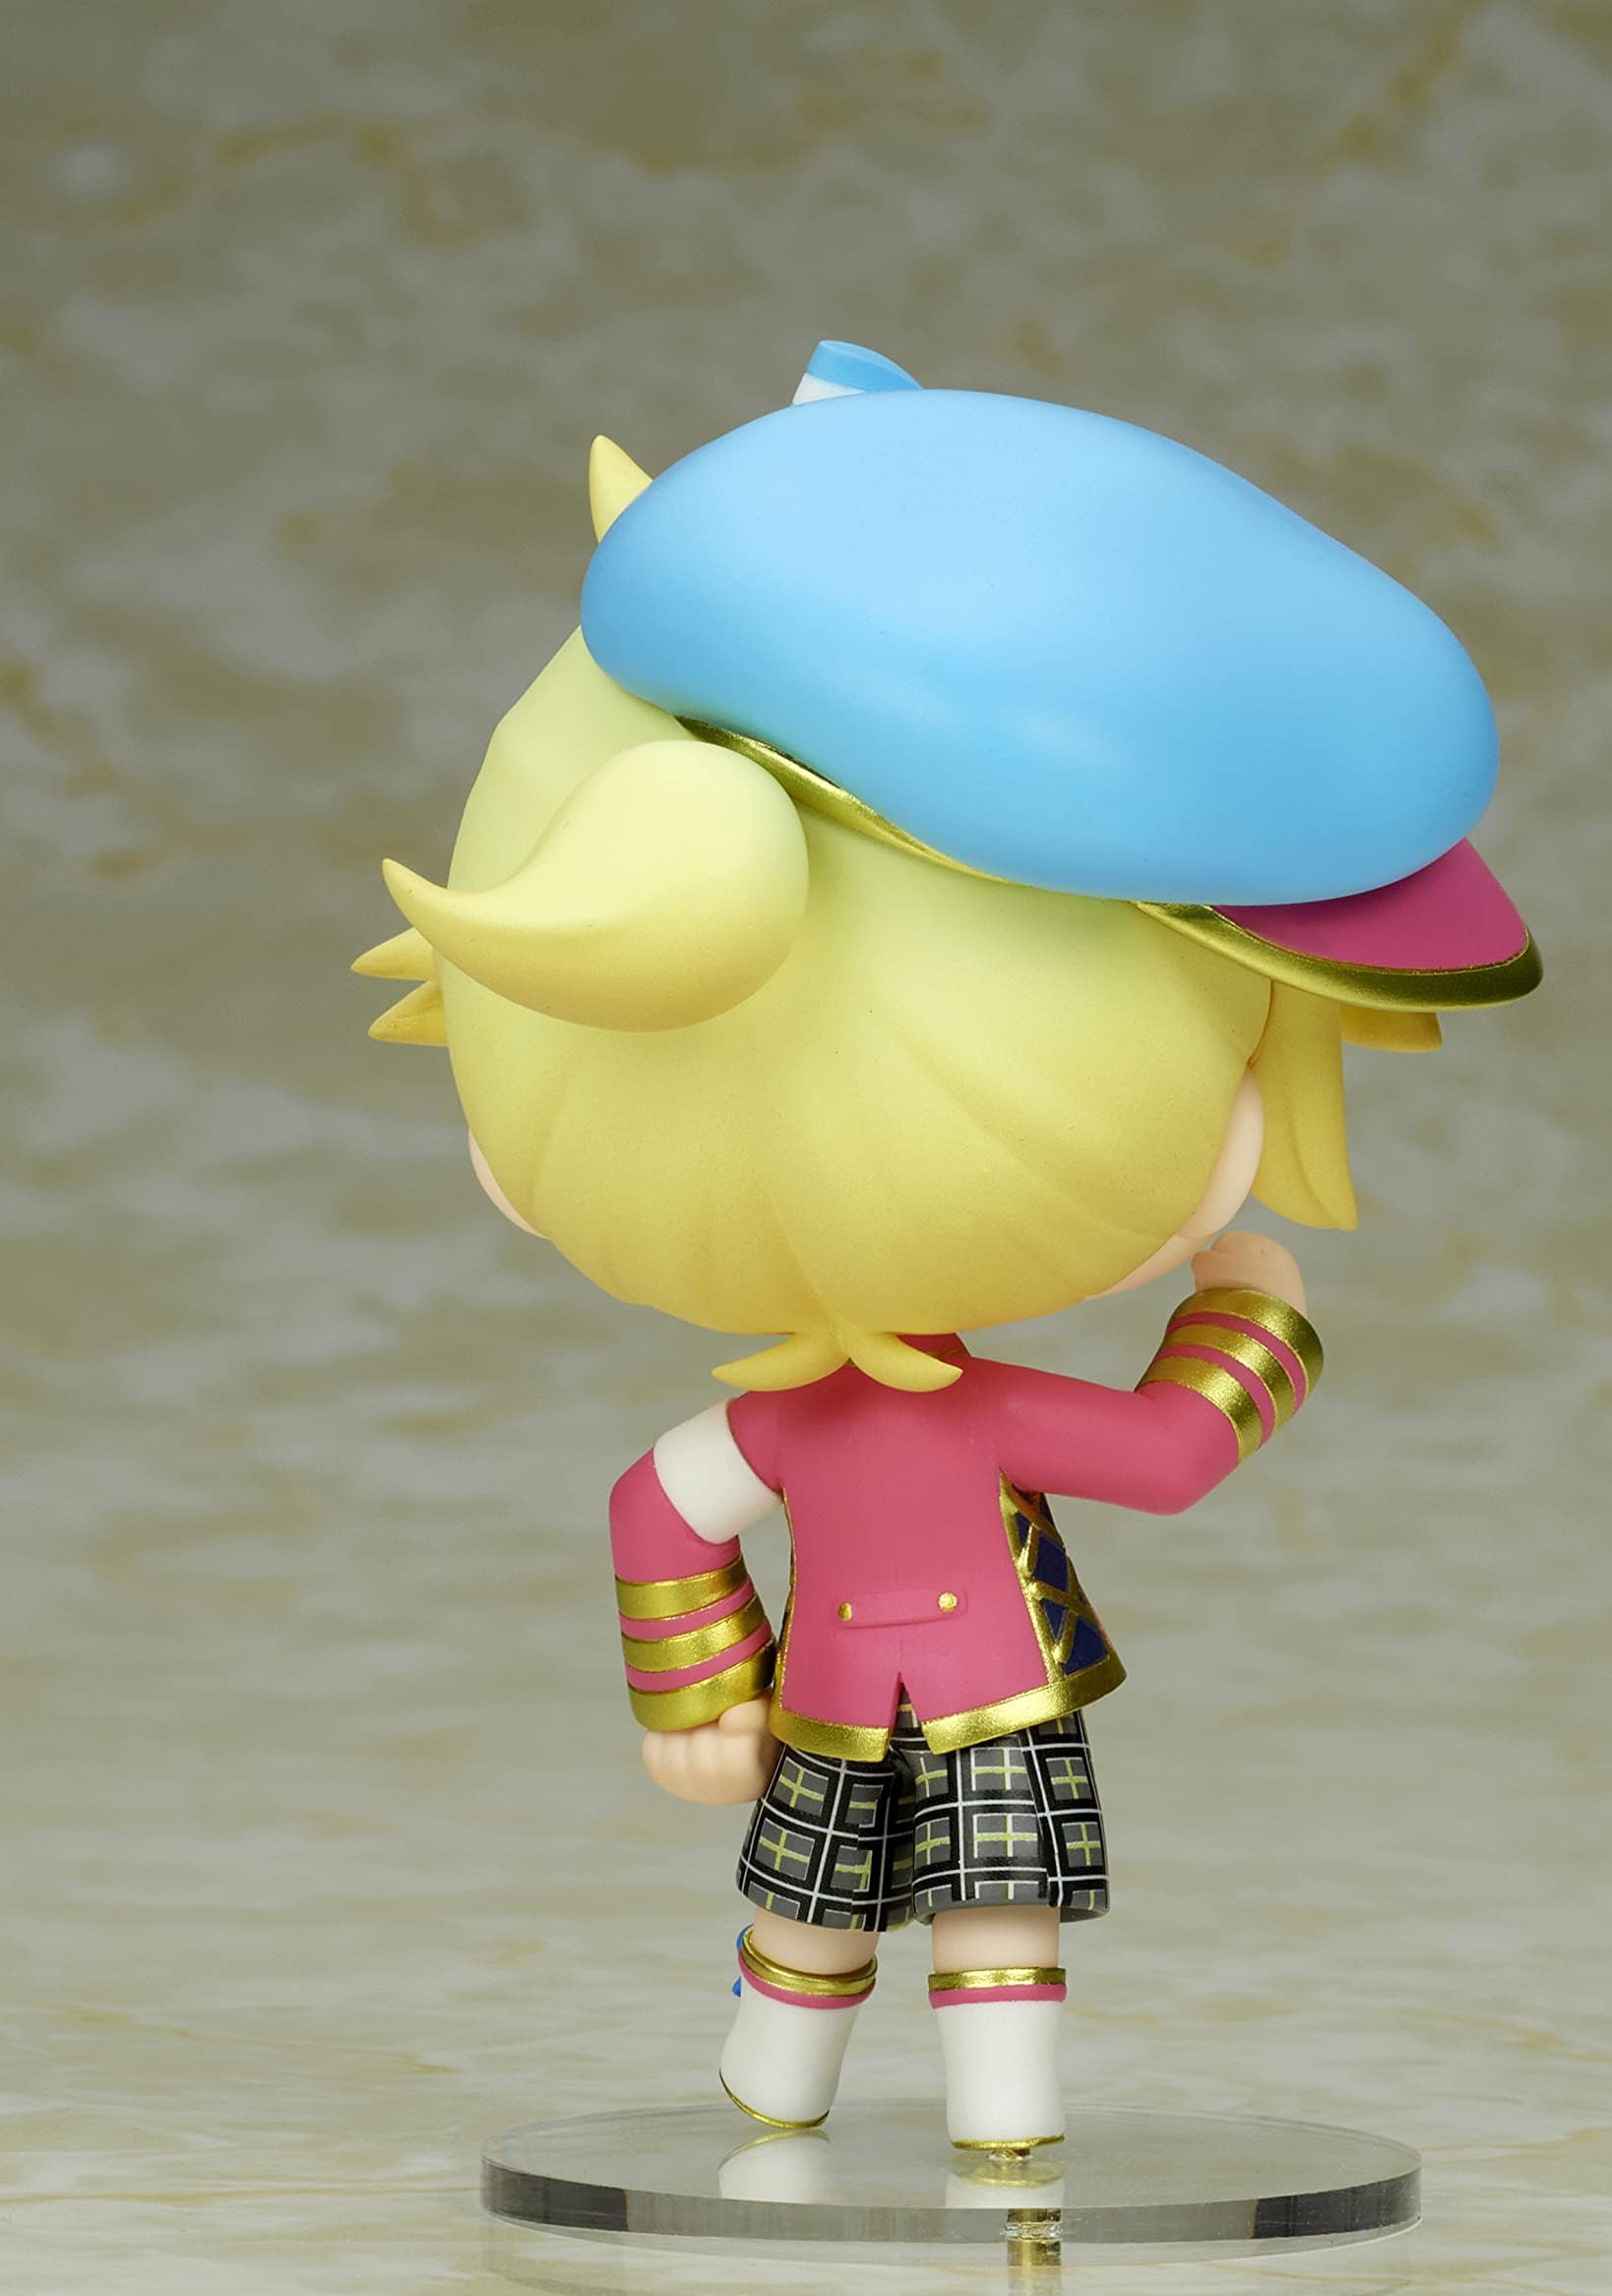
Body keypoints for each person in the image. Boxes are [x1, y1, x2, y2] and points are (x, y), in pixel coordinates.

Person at [358, 342, 1538, 2152]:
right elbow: (1164, 1455)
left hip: (904, 1704)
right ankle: (871, 2101)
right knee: (873, 1916)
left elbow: (660, 1507)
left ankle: (898, 2105)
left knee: (905, 1917)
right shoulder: (918, 1423)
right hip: (929, 1703)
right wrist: (1252, 1320)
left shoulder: (812, 1431)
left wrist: (698, 1689)